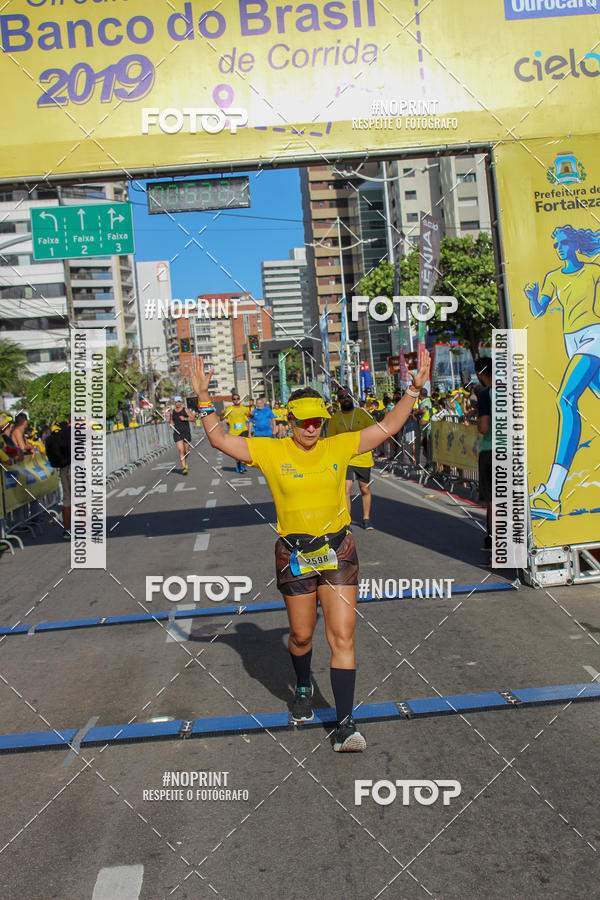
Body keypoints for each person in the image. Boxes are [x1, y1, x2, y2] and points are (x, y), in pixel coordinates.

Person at [191, 351, 431, 752]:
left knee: (343, 636)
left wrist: (414, 388)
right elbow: (217, 438)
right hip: (294, 554)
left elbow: (389, 427)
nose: (312, 428)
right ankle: (303, 681)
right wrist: (203, 398)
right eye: (303, 422)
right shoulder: (270, 451)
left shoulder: (338, 446)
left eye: (318, 420)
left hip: (338, 550)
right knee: (301, 636)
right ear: (289, 421)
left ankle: (345, 724)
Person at [525, 224, 600, 520]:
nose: (558, 248)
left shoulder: (594, 270)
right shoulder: (552, 277)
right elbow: (539, 311)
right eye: (555, 244)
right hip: (572, 341)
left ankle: (551, 493)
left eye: (563, 242)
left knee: (565, 400)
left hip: (594, 335)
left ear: (575, 245)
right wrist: (532, 297)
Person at [328, 387, 376, 529]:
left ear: (352, 397)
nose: (346, 398)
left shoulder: (362, 413)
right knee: (345, 490)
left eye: (348, 395)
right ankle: (347, 521)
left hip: (363, 458)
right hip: (346, 460)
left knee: (364, 489)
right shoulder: (335, 418)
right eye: (342, 397)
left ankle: (366, 518)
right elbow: (330, 441)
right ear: (338, 400)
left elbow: (374, 430)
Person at [475, 357, 493, 553]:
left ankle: (495, 541)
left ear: (480, 374)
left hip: (491, 450)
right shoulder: (513, 391)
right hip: (515, 451)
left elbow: (483, 427)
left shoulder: (486, 395)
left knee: (494, 500)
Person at [44, 418, 71, 540]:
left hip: (63, 468)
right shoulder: (75, 432)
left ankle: (67, 530)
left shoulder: (58, 434)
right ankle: (84, 529)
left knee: (67, 499)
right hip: (76, 468)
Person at [220, 392, 250, 473]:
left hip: (243, 430)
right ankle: (238, 464)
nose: (236, 400)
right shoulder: (229, 409)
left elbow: (251, 416)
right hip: (233, 432)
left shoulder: (244, 408)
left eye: (237, 399)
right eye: (234, 399)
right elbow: (222, 419)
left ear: (239, 399)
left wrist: (252, 415)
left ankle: (243, 465)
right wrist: (222, 414)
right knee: (236, 451)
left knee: (243, 449)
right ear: (232, 400)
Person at [171, 396, 195, 475]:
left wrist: (185, 419)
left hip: (186, 432)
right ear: (174, 403)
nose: (178, 403)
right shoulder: (172, 412)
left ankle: (185, 461)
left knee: (186, 451)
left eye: (179, 401)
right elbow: (171, 421)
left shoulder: (186, 410)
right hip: (177, 433)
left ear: (181, 402)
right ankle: (184, 468)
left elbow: (193, 419)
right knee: (181, 450)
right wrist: (171, 423)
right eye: (176, 402)